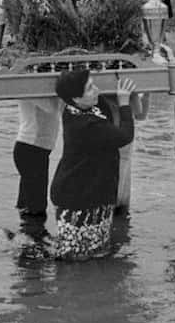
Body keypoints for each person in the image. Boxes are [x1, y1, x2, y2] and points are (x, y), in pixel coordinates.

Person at [49, 69, 135, 259]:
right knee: (75, 256)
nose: (96, 90)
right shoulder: (86, 125)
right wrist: (124, 104)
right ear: (76, 98)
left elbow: (104, 111)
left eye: (94, 84)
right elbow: (125, 136)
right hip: (78, 198)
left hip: (89, 192)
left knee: (95, 252)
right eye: (90, 88)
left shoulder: (76, 109)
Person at [13, 94, 63, 229]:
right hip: (30, 148)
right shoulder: (31, 87)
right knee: (35, 209)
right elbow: (52, 108)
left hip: (37, 150)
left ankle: (27, 239)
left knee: (29, 205)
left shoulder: (44, 88)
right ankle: (33, 241)